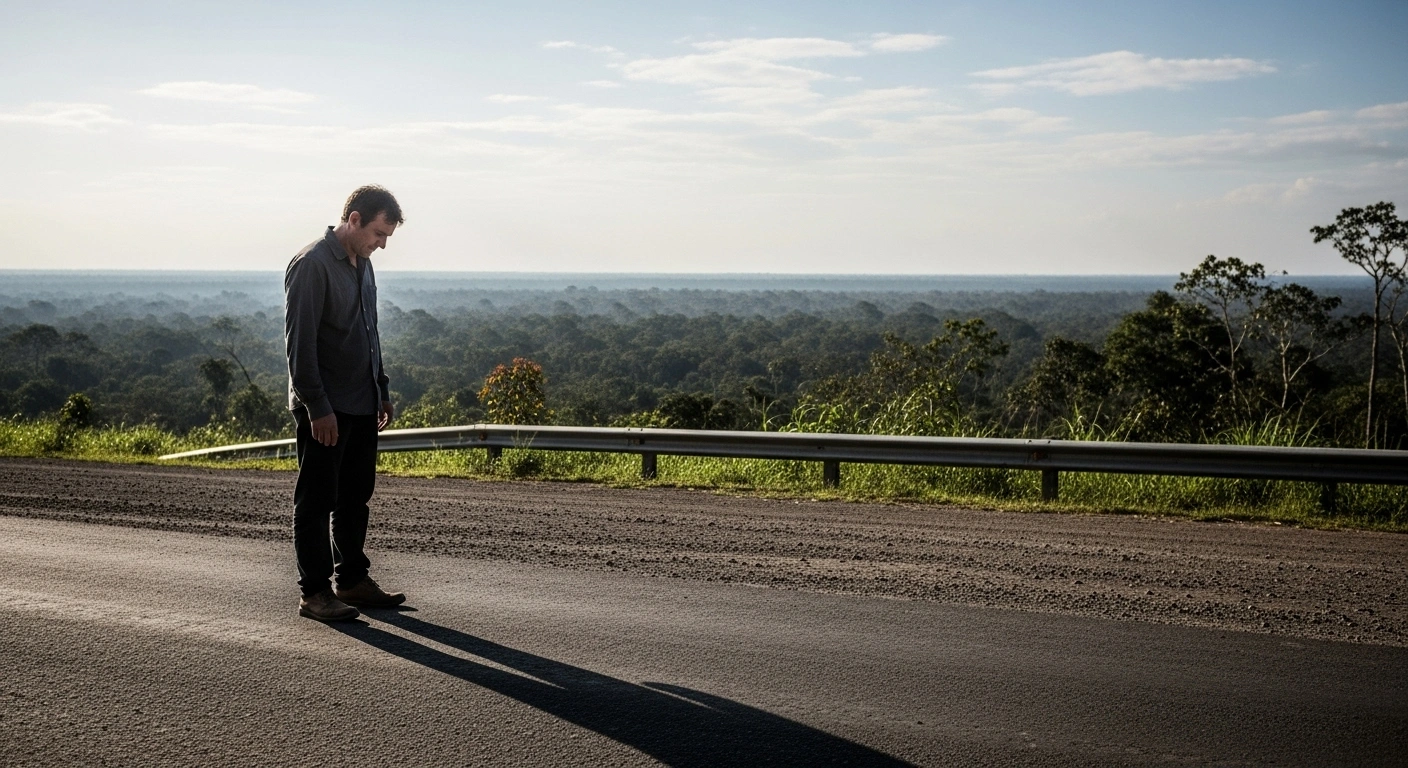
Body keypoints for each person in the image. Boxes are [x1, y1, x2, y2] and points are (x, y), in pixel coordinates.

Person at [284, 185, 406, 622]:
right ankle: (314, 593)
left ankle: (351, 580)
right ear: (353, 220)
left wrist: (382, 388)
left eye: (387, 236)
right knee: (316, 501)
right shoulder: (312, 264)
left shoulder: (364, 264)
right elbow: (300, 347)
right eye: (377, 233)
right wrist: (317, 407)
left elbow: (369, 332)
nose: (382, 243)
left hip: (361, 401)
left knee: (356, 497)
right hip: (326, 409)